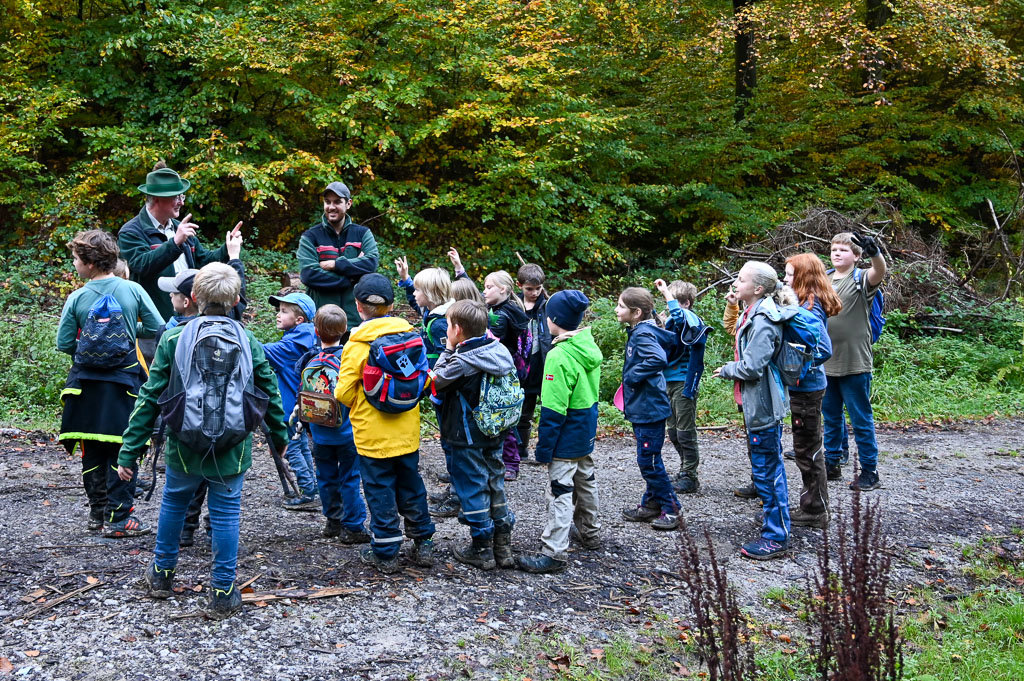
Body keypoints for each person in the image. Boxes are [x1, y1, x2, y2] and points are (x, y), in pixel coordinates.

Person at [118, 263, 289, 619]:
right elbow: (268, 393)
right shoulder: (248, 339)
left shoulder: (173, 338)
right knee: (226, 515)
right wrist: (280, 438)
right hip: (232, 448)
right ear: (236, 300)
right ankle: (223, 593)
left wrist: (131, 450)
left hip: (184, 443)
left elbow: (151, 396)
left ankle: (161, 576)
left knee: (174, 504)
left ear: (193, 297)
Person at [57, 230, 163, 537]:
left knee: (92, 449)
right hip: (124, 383)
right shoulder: (132, 290)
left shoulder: (77, 297)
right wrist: (129, 329)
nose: (74, 264)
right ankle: (121, 518)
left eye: (76, 259)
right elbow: (157, 326)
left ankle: (97, 515)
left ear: (89, 264)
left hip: (85, 386)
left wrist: (90, 348)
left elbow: (64, 342)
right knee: (123, 446)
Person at [334, 273, 436, 574]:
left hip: (372, 435)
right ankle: (423, 542)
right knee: (411, 483)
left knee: (379, 490)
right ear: (392, 305)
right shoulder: (411, 336)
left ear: (357, 305)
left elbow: (342, 392)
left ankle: (386, 550)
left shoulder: (357, 344)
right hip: (407, 431)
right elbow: (422, 378)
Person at [712, 262, 796, 560]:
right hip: (756, 402)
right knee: (764, 466)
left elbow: (752, 366)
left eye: (740, 279)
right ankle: (775, 526)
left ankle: (777, 536)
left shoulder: (763, 320)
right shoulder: (752, 311)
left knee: (767, 469)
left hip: (764, 404)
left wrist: (726, 369)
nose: (735, 282)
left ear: (758, 289)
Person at [516, 291, 603, 574]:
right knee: (585, 479)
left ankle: (554, 551)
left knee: (560, 490)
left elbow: (553, 410)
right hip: (586, 426)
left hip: (566, 431)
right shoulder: (586, 344)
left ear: (553, 320)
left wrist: (544, 449)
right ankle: (590, 533)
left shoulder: (559, 355)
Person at [429, 300, 518, 570]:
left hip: (466, 433)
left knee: (472, 486)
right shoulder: (498, 350)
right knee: (494, 481)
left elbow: (437, 380)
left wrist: (446, 349)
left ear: (456, 329)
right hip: (496, 428)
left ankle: (481, 548)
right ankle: (502, 545)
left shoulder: (463, 360)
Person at [117, 163, 241, 349]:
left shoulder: (178, 226)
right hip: (156, 324)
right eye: (176, 197)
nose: (181, 202)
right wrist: (175, 243)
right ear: (158, 199)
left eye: (181, 196)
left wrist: (227, 248)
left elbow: (203, 261)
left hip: (191, 318)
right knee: (158, 373)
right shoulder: (131, 232)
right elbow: (141, 265)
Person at [394, 256, 462, 518]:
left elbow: (448, 358)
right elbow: (416, 302)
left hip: (445, 389)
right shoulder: (434, 313)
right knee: (447, 441)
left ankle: (457, 496)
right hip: (438, 388)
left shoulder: (443, 322)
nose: (415, 294)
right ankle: (455, 489)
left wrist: (427, 381)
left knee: (452, 442)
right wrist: (406, 280)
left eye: (419, 289)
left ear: (432, 295)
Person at [297, 305, 370, 543]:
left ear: (316, 331)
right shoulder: (348, 359)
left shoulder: (308, 359)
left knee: (326, 476)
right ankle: (353, 526)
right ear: (345, 330)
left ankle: (332, 521)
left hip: (319, 433)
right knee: (350, 477)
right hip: (348, 432)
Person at [823, 232, 887, 491]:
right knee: (830, 416)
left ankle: (870, 470)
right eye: (834, 249)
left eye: (844, 250)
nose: (837, 253)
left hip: (855, 361)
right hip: (826, 361)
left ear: (857, 256)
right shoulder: (824, 279)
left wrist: (876, 254)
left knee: (860, 418)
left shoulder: (861, 278)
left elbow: (879, 272)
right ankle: (832, 462)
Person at [783, 254, 843, 528]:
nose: (784, 279)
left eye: (789, 275)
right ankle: (814, 506)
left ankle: (815, 510)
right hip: (806, 388)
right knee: (806, 447)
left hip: (808, 389)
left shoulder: (809, 309)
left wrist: (798, 368)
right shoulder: (806, 303)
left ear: (803, 277)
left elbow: (823, 349)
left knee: (807, 450)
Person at [616, 287, 681, 531]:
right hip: (645, 406)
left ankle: (671, 508)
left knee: (649, 461)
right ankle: (651, 504)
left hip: (649, 408)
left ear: (636, 312)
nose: (616, 310)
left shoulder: (643, 334)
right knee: (649, 457)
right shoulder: (640, 330)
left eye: (621, 306)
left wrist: (632, 376)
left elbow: (657, 359)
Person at [263, 292, 320, 509]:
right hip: (304, 404)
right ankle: (313, 488)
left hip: (290, 406)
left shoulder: (293, 345)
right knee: (302, 445)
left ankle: (307, 492)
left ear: (299, 319)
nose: (278, 315)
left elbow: (259, 350)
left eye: (284, 311)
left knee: (292, 447)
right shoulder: (307, 336)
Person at [297, 182, 380, 329]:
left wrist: (336, 265)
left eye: (337, 202)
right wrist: (352, 277)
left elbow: (371, 263)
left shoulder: (362, 234)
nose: (331, 207)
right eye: (327, 202)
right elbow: (309, 274)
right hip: (322, 322)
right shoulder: (310, 237)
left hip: (356, 322)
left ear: (348, 204)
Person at [654, 279, 708, 494]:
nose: (668, 306)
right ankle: (685, 468)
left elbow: (679, 316)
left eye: (672, 301)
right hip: (667, 381)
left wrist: (666, 292)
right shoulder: (673, 321)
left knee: (685, 432)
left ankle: (690, 475)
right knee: (674, 431)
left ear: (685, 303)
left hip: (684, 381)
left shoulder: (690, 318)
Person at [482, 269, 530, 481]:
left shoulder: (500, 316)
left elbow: (490, 344)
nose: (484, 291)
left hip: (504, 371)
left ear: (503, 289)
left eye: (489, 287)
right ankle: (506, 459)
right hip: (514, 368)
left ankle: (511, 462)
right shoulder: (509, 308)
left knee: (503, 415)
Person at [516, 263, 552, 465]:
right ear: (519, 285)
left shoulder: (547, 306)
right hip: (523, 368)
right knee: (524, 413)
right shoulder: (515, 306)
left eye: (538, 289)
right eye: (529, 289)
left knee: (548, 410)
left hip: (543, 364)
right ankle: (521, 451)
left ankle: (546, 452)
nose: (534, 293)